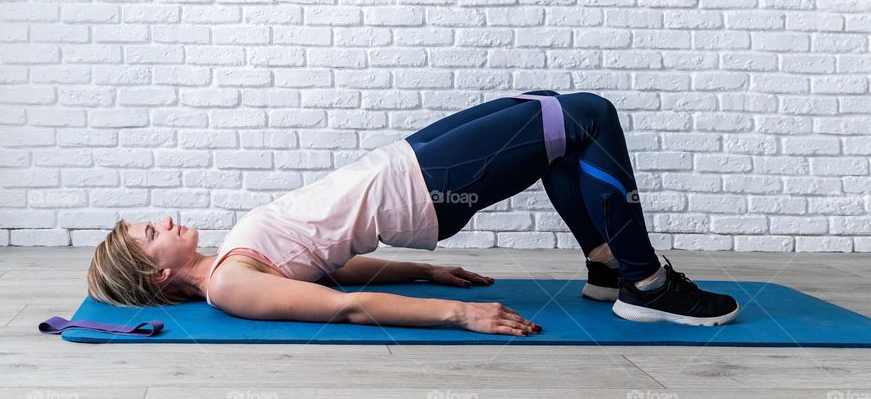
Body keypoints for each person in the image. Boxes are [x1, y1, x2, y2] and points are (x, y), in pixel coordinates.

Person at [87, 90, 739, 336]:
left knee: (549, 109)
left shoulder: (233, 263)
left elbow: (326, 272)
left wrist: (424, 273)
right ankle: (646, 284)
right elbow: (344, 308)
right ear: (158, 278)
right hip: (422, 187)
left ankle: (606, 270)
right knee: (586, 117)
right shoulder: (230, 285)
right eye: (152, 234)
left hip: (407, 165)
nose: (165, 221)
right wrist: (460, 315)